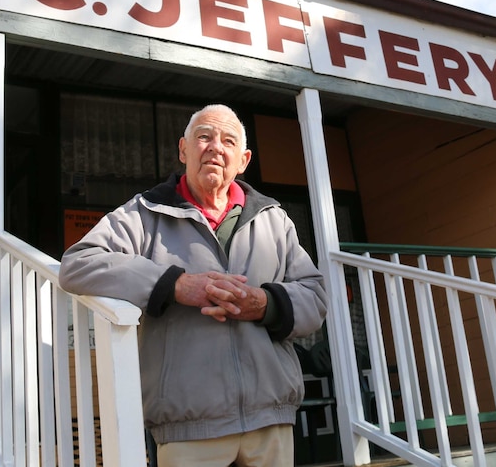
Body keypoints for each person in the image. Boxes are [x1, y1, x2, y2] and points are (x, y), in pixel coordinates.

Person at [59, 104, 328, 467]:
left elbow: (315, 296)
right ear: (184, 149)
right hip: (188, 427)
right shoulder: (145, 213)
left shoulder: (273, 219)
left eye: (228, 141)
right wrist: (173, 285)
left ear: (243, 160)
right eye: (204, 136)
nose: (216, 147)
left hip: (271, 420)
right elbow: (78, 263)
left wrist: (264, 303)